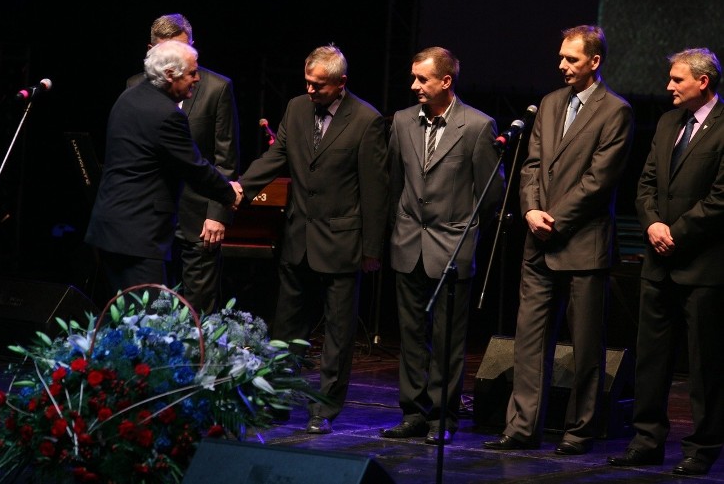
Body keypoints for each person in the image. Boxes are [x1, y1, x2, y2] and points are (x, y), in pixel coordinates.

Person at [483, 25, 635, 454]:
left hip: (582, 243)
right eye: (561, 58)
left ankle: (579, 430)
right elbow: (530, 164)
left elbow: (598, 181)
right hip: (538, 240)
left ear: (595, 61)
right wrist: (531, 209)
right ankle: (522, 427)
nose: (562, 65)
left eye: (571, 58)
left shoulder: (615, 111)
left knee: (585, 347)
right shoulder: (549, 104)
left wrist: (556, 219)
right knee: (529, 339)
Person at [238, 44, 389, 434]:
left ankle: (324, 410)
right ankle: (275, 401)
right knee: (286, 330)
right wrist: (239, 186)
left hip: (342, 244)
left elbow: (374, 192)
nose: (310, 90)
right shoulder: (296, 108)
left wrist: (371, 249)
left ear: (341, 84)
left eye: (318, 85)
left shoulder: (366, 120)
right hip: (298, 239)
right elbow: (277, 158)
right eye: (307, 82)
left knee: (338, 337)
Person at [607, 48, 723, 476]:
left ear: (703, 81)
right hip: (659, 263)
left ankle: (703, 445)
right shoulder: (668, 123)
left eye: (677, 80)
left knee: (704, 362)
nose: (669, 87)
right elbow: (646, 184)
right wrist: (653, 224)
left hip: (703, 265)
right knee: (651, 357)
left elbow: (720, 199)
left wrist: (678, 232)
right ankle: (647, 439)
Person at [380, 47, 505, 445]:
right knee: (411, 335)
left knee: (448, 338)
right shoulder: (401, 121)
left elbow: (491, 194)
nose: (414, 86)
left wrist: (463, 230)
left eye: (422, 79)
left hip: (452, 246)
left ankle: (443, 416)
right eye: (413, 78)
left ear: (446, 82)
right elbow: (395, 181)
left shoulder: (477, 126)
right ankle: (413, 413)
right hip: (408, 242)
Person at [85, 40, 243, 300]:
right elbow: (194, 166)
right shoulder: (167, 114)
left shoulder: (130, 97)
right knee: (148, 325)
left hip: (110, 230)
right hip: (138, 236)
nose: (197, 78)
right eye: (191, 73)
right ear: (170, 74)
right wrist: (228, 193)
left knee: (123, 324)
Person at [127, 14, 241, 314]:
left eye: (182, 50)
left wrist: (218, 212)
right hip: (149, 216)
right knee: (148, 309)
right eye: (167, 53)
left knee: (198, 311)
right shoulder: (134, 88)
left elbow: (225, 157)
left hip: (198, 216)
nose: (176, 60)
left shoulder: (216, 87)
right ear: (152, 50)